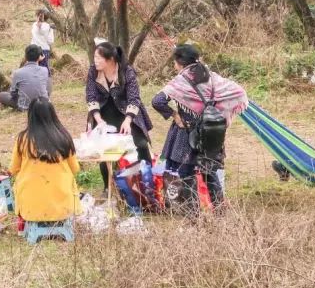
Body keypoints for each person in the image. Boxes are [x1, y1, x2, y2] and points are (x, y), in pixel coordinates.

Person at [151, 44, 248, 211]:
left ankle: (193, 218)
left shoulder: (181, 81)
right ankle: (220, 214)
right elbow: (239, 93)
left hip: (187, 134)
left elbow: (157, 101)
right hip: (211, 135)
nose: (174, 65)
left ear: (180, 62)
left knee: (186, 176)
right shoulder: (211, 76)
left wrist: (175, 116)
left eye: (175, 62)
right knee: (209, 174)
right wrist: (215, 112)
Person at [85, 40, 153, 190]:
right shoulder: (93, 71)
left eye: (98, 58)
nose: (94, 61)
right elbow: (91, 96)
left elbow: (134, 98)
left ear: (110, 60)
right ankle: (108, 187)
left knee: (140, 144)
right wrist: (98, 120)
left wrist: (128, 120)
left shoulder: (126, 71)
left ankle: (147, 182)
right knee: (103, 150)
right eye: (94, 57)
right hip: (102, 113)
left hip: (127, 112)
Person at [9, 98, 81, 224]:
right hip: (63, 208)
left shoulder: (22, 139)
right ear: (53, 114)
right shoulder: (64, 136)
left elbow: (13, 169)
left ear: (30, 115)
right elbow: (75, 169)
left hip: (30, 210)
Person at [0, 45, 51, 111]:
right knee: (48, 81)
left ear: (25, 57)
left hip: (24, 107)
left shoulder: (17, 72)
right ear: (39, 57)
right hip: (43, 104)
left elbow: (13, 93)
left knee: (2, 95)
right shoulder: (44, 70)